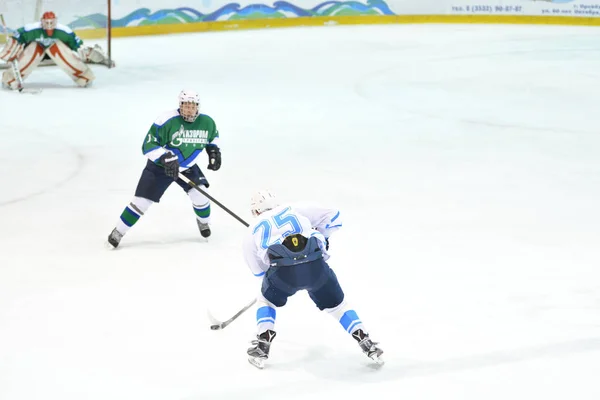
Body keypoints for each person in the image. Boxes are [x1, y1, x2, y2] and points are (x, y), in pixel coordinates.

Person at [242, 190, 384, 369]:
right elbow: (334, 216)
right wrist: (322, 236)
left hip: (282, 275)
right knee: (339, 307)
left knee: (265, 301)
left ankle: (263, 344)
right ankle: (365, 339)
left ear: (255, 212)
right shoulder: (295, 208)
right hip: (316, 267)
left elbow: (258, 271)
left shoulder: (252, 229)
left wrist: (271, 279)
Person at [107, 89, 222, 248]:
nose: (189, 109)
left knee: (200, 194)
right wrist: (164, 157)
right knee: (141, 202)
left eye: (192, 105)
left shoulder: (207, 122)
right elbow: (148, 145)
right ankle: (119, 231)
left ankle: (203, 222)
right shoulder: (166, 120)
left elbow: (213, 137)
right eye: (186, 105)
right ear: (180, 105)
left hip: (186, 166)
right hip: (159, 167)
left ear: (198, 106)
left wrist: (214, 151)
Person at [0, 11, 109, 89]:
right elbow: (17, 35)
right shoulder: (32, 29)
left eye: (51, 22)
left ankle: (84, 75)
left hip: (55, 53)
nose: (49, 25)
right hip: (36, 53)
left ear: (56, 21)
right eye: (46, 22)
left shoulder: (63, 31)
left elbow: (77, 45)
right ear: (42, 21)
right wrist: (11, 48)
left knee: (58, 46)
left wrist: (86, 52)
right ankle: (10, 78)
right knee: (35, 46)